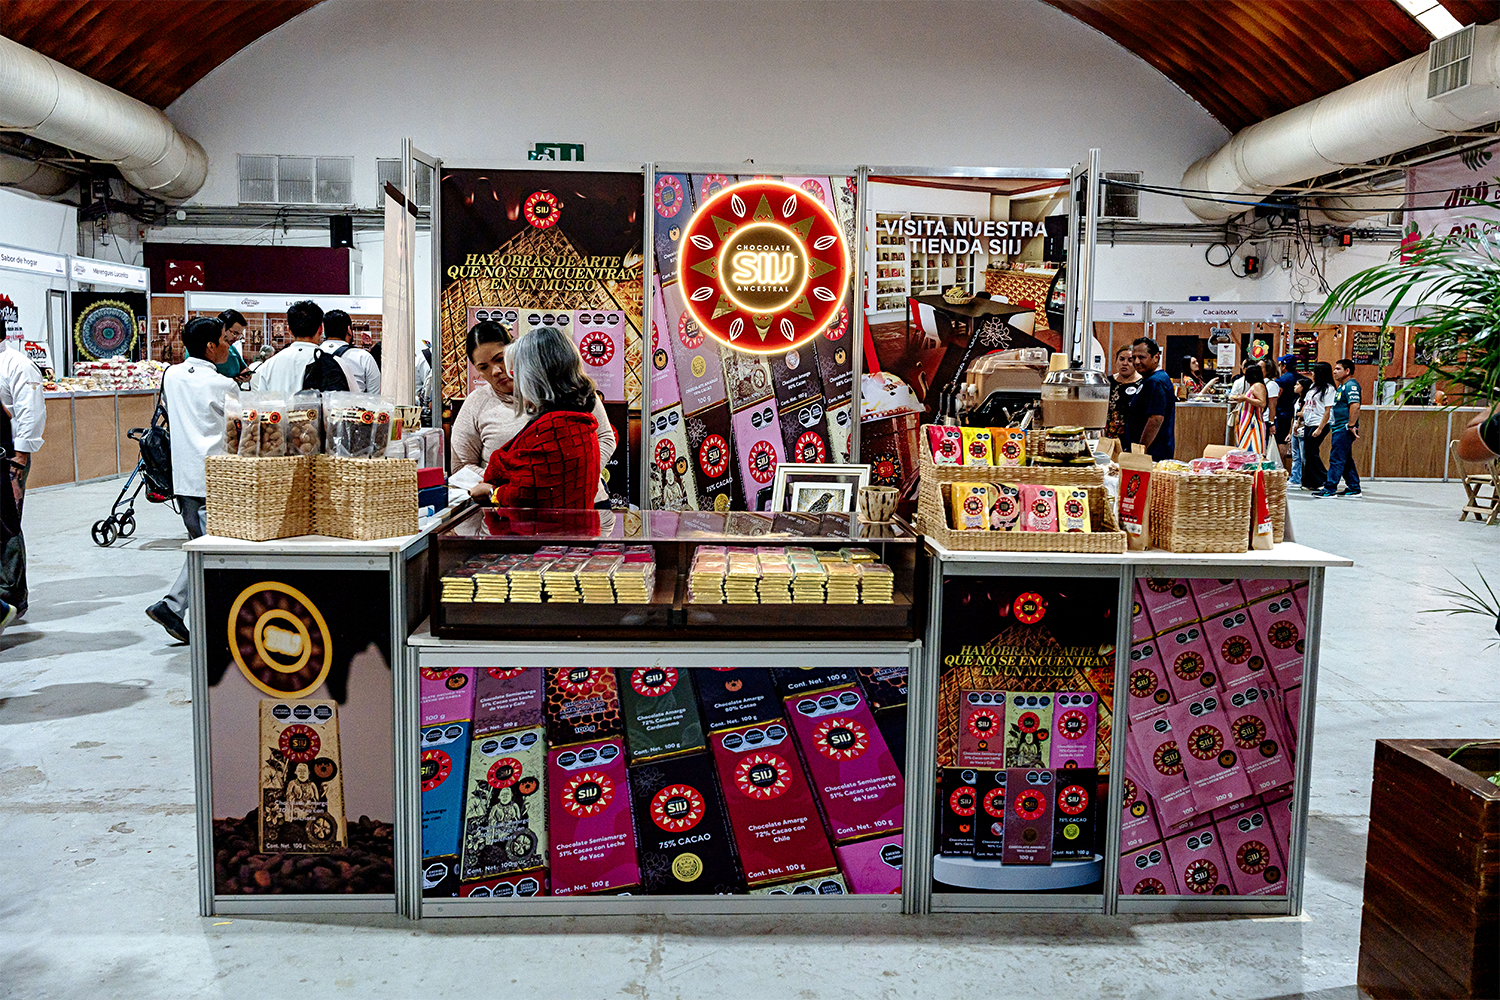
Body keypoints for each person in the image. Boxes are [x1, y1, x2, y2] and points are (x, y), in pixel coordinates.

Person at [452, 320, 615, 504]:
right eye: (483, 367)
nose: (496, 371)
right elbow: (461, 465)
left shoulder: (573, 396)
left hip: (581, 503)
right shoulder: (476, 403)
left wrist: (573, 479)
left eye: (500, 359)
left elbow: (605, 438)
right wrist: (504, 486)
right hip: (515, 508)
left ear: (518, 354)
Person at [147, 316, 238, 645]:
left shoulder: (171, 374)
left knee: (201, 547)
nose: (230, 346)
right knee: (213, 551)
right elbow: (237, 430)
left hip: (182, 477)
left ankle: (175, 607)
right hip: (215, 478)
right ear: (211, 346)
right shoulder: (224, 385)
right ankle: (176, 607)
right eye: (225, 340)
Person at [0, 318, 45, 629]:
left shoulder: (17, 364)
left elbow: (30, 410)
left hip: (9, 456)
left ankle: (13, 595)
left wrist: (19, 457)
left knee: (7, 524)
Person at [251, 300, 344, 394]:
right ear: (320, 329)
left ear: (289, 330)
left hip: (277, 409)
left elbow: (263, 402)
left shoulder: (269, 364)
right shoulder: (332, 361)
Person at [1314, 359, 1363, 498]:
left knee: (1336, 458)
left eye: (1338, 369)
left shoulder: (1351, 385)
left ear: (1347, 371)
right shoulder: (1341, 387)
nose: (1334, 372)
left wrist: (1351, 425)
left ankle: (1330, 489)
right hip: (1338, 427)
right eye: (1334, 369)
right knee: (1345, 458)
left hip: (1344, 428)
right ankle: (1354, 487)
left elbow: (1355, 405)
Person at [1127, 336, 1175, 461]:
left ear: (1156, 357)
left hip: (1152, 455)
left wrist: (1140, 450)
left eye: (1142, 357)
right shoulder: (1149, 379)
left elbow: (1155, 419)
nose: (1136, 362)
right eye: (1134, 358)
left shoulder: (1155, 382)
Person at [320, 309, 381, 394]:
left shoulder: (314, 354)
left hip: (318, 406)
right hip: (354, 406)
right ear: (349, 330)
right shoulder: (363, 357)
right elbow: (375, 396)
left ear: (323, 331)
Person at [1299, 361, 1336, 492]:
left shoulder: (1329, 389)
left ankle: (1324, 479)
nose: (1312, 373)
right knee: (1307, 452)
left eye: (1314, 371)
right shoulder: (1313, 387)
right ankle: (1310, 480)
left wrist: (1320, 428)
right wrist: (1300, 418)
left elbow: (1328, 410)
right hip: (1309, 422)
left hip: (1319, 423)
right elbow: (1306, 405)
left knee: (1312, 451)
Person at [1231, 361, 1269, 456]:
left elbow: (1262, 403)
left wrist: (1245, 398)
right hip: (1247, 422)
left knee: (1252, 452)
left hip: (1253, 422)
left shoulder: (1258, 386)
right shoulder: (1254, 386)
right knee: (1244, 452)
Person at [1106, 346, 1140, 440]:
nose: (1125, 363)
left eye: (1130, 360)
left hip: (1134, 437)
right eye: (1121, 359)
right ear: (1116, 361)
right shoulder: (1107, 382)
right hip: (1110, 437)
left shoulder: (1143, 384)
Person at [1272, 354, 1301, 465]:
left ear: (1284, 366)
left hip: (1282, 414)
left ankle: (1282, 468)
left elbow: (1276, 397)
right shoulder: (1303, 379)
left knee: (1281, 441)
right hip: (1298, 415)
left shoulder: (1281, 380)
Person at [215, 309, 251, 381]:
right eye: (235, 333)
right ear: (222, 328)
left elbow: (244, 368)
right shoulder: (205, 348)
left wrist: (247, 375)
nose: (237, 338)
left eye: (239, 335)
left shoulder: (232, 349)